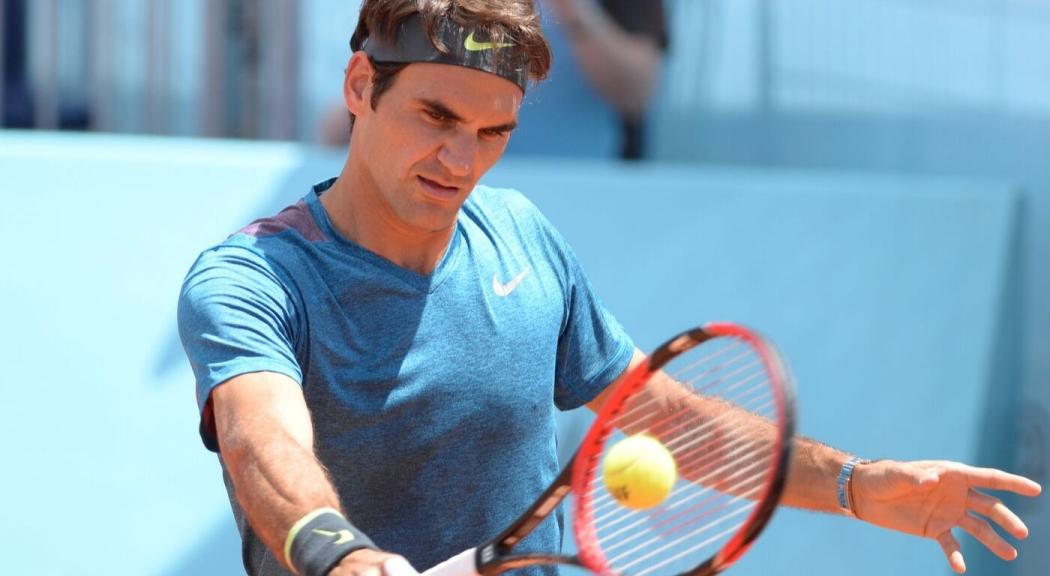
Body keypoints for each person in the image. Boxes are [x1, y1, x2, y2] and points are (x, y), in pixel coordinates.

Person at [178, 2, 1041, 576]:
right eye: (435, 118)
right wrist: (343, 555)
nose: (460, 162)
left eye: (492, 132)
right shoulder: (255, 276)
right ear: (361, 88)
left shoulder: (518, 230)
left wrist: (858, 483)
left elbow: (659, 414)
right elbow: (264, 445)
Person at [323, 0, 666, 160]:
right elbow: (338, 126)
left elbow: (637, 92)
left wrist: (573, 11)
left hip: (576, 200)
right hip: (446, 196)